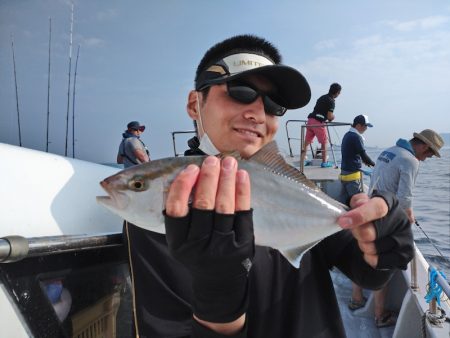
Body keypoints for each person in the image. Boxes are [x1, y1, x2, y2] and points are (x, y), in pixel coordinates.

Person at [124, 34, 414, 338]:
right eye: (240, 91)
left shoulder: (294, 187)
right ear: (195, 103)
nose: (258, 114)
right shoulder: (158, 211)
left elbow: (363, 269)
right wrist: (218, 304)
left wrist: (387, 243)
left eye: (274, 105)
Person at [368, 129, 444, 328]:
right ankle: (380, 315)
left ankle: (357, 299)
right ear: (424, 146)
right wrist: (409, 217)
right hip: (385, 217)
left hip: (370, 208)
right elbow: (404, 198)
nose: (427, 159)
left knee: (366, 254)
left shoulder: (390, 150)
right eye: (429, 154)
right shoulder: (410, 160)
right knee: (385, 263)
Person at [338, 114, 376, 312]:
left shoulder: (346, 135)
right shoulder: (355, 137)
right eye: (365, 127)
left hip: (344, 175)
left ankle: (341, 237)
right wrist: (374, 165)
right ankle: (356, 240)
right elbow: (363, 155)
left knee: (343, 208)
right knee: (359, 211)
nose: (366, 129)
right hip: (353, 177)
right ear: (359, 125)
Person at [300, 82, 341, 168]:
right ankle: (324, 163)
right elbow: (330, 116)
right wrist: (333, 117)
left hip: (310, 120)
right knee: (324, 142)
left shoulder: (322, 97)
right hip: (318, 123)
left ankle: (302, 161)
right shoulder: (331, 101)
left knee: (306, 142)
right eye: (339, 92)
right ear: (337, 92)